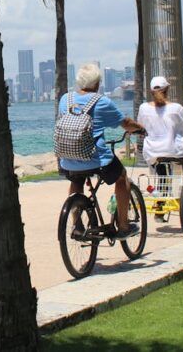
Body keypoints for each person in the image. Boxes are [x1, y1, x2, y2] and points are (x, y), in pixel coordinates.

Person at [57, 63, 144, 239]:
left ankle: (77, 225)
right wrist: (140, 128)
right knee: (122, 177)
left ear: (79, 82)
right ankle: (123, 226)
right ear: (97, 84)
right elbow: (125, 123)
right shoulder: (101, 101)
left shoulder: (65, 99)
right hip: (96, 159)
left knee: (76, 181)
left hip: (68, 158)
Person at [138, 75, 183, 178]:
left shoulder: (143, 108)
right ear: (167, 90)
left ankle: (163, 185)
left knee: (158, 158)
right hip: (174, 150)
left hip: (152, 152)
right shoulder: (176, 109)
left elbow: (140, 126)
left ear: (151, 92)